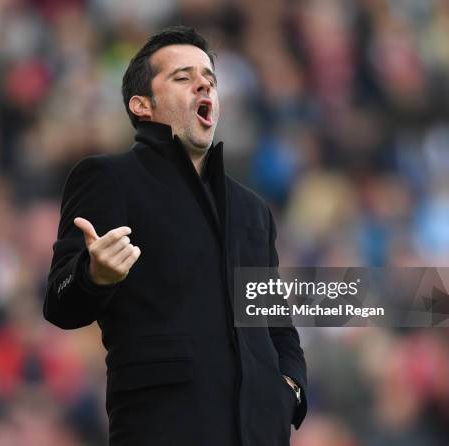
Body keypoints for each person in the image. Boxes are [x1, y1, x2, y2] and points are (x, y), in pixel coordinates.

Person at [43, 25, 307, 446]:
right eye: (183, 77)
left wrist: (289, 388)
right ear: (142, 105)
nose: (203, 83)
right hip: (163, 429)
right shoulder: (108, 179)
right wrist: (93, 274)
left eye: (209, 78)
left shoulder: (251, 210)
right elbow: (59, 302)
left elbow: (275, 323)